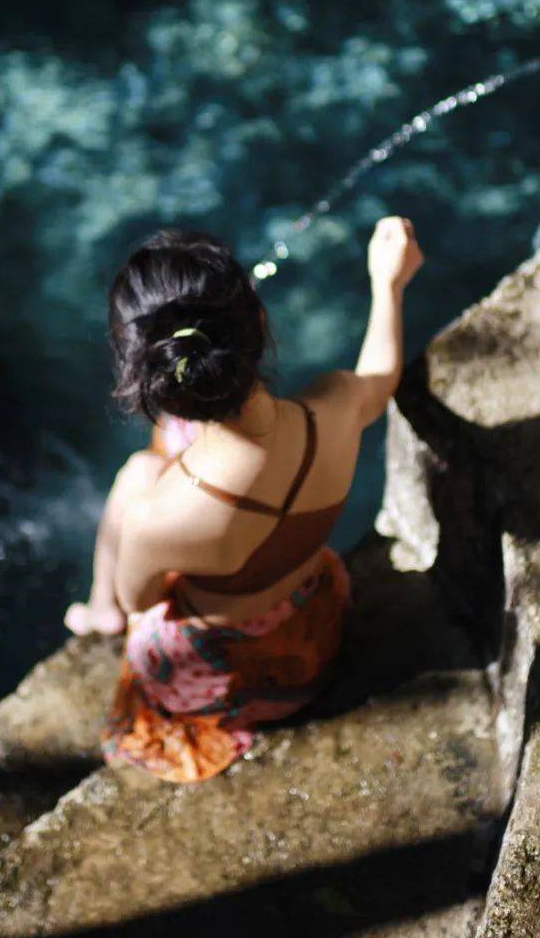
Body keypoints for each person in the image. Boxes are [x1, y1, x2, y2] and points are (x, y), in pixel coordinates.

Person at [64, 216, 424, 781]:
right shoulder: (333, 407)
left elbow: (144, 601)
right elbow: (379, 379)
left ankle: (96, 612)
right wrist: (388, 284)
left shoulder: (156, 518)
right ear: (259, 322)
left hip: (217, 683)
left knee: (138, 473)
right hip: (307, 645)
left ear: (149, 374)